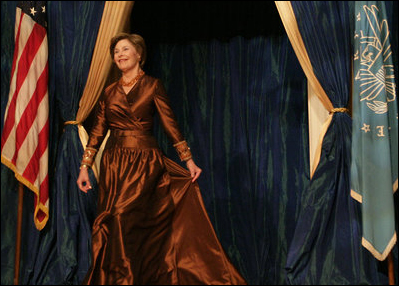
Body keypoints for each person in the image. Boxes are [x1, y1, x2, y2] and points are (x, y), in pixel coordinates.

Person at [77, 33, 246, 285]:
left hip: (145, 163)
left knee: (124, 218)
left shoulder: (153, 86)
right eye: (116, 52)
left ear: (138, 54)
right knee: (114, 223)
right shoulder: (108, 92)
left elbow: (170, 125)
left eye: (125, 49)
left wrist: (188, 160)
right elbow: (98, 132)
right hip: (114, 165)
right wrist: (85, 167)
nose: (120, 54)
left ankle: (128, 279)